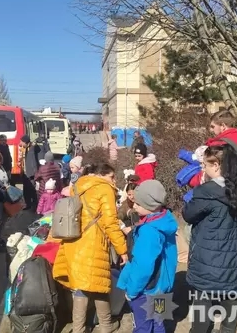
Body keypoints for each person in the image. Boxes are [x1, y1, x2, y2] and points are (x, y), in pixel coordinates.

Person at [183, 145, 237, 333]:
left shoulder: (206, 192)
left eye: (204, 165)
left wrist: (197, 192)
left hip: (209, 265)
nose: (202, 169)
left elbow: (187, 214)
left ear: (216, 165)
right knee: (230, 314)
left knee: (202, 315)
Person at [53, 163, 128, 333]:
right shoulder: (104, 189)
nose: (114, 180)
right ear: (101, 175)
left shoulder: (78, 186)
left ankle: (80, 329)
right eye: (111, 176)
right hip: (93, 244)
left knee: (85, 285)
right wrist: (122, 249)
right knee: (99, 284)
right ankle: (106, 326)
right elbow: (110, 223)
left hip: (74, 242)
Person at [117, 180, 178, 333]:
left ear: (150, 206)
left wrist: (132, 291)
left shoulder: (149, 231)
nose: (134, 205)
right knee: (158, 323)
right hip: (162, 286)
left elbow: (142, 266)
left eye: (138, 203)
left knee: (142, 327)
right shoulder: (165, 220)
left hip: (145, 290)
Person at [189, 109, 237, 187]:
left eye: (213, 127)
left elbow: (208, 170)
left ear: (223, 126)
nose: (211, 130)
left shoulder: (218, 145)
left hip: (224, 190)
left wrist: (190, 180)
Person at [19, 135, 41, 210]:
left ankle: (34, 205)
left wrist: (35, 174)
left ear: (25, 142)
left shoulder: (31, 149)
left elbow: (33, 163)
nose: (20, 143)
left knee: (32, 190)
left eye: (21, 141)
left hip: (30, 174)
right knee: (26, 190)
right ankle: (28, 204)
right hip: (25, 173)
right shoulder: (26, 148)